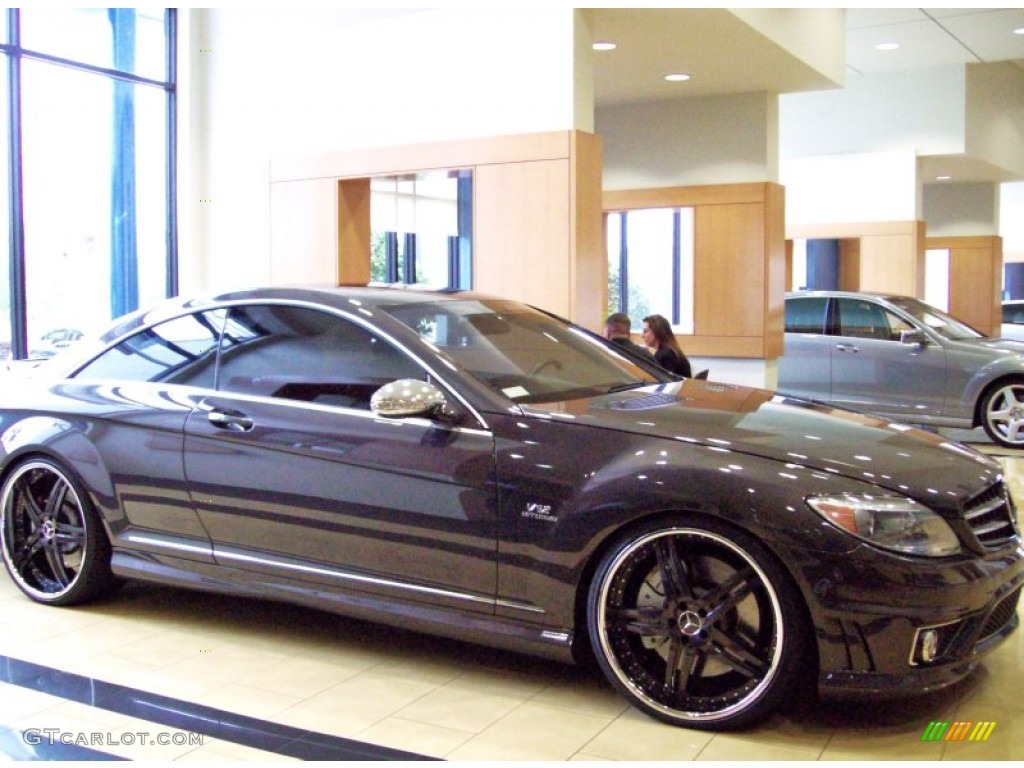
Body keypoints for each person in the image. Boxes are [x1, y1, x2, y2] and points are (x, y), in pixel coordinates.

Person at [642, 313, 692, 377]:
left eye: (645, 331)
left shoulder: (665, 355)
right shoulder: (670, 351)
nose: (642, 336)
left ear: (657, 332)